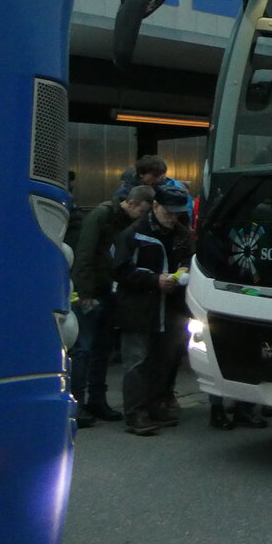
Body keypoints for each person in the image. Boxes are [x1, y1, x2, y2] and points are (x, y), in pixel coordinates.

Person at [68, 185, 156, 427]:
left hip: (108, 291)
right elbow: (85, 253)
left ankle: (96, 400)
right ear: (134, 204)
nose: (142, 217)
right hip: (94, 291)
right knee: (84, 349)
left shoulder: (117, 218)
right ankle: (77, 403)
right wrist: (84, 291)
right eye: (143, 211)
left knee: (101, 350)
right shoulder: (102, 215)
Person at [111, 185, 193, 435]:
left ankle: (156, 405)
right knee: (137, 361)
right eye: (169, 212)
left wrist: (185, 270)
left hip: (169, 308)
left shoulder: (182, 233)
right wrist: (154, 280)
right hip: (139, 308)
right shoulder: (134, 234)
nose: (173, 218)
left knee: (165, 359)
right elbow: (119, 270)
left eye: (177, 213)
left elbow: (190, 258)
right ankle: (136, 413)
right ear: (155, 206)